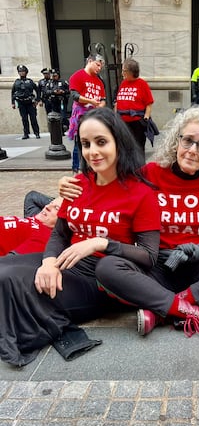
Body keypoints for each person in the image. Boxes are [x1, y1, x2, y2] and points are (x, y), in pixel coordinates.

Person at [59, 106, 199, 339]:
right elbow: (107, 180)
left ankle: (164, 310)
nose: (191, 150)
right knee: (108, 268)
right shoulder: (150, 173)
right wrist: (71, 185)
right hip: (157, 266)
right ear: (176, 141)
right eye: (187, 141)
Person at [0, 107, 161, 366]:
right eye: (85, 144)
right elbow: (60, 233)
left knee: (9, 281)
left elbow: (149, 256)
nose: (92, 152)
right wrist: (48, 262)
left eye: (101, 142)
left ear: (118, 141)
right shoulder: (80, 182)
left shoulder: (141, 193)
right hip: (65, 262)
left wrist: (101, 243)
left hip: (102, 278)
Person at [67, 53, 106, 173]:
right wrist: (91, 101)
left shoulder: (99, 81)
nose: (99, 68)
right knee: (79, 142)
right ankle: (77, 169)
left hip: (95, 115)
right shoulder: (77, 76)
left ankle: (90, 169)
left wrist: (100, 105)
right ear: (90, 61)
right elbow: (75, 95)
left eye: (101, 67)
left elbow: (103, 99)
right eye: (97, 65)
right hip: (80, 114)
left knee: (93, 142)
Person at [115, 58, 155, 158]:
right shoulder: (123, 83)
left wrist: (146, 117)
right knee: (124, 147)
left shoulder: (142, 84)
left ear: (131, 72)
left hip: (137, 121)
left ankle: (139, 169)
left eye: (124, 70)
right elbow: (118, 101)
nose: (122, 73)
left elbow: (149, 103)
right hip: (123, 121)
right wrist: (114, 116)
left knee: (138, 146)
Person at [11, 64, 41, 140]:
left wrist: (37, 100)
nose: (21, 73)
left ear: (26, 72)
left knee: (33, 118)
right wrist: (13, 103)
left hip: (30, 103)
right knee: (24, 119)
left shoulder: (30, 81)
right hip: (21, 103)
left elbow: (37, 90)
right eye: (20, 71)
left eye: (23, 71)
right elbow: (13, 92)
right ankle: (26, 133)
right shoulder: (16, 82)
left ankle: (36, 133)